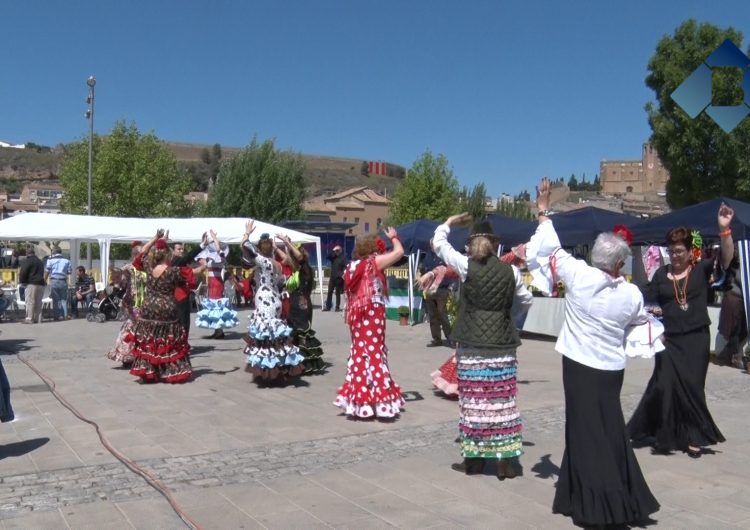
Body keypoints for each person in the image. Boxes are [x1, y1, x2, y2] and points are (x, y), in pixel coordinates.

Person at [526, 178, 659, 526]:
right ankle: (584, 491)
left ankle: (599, 501)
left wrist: (543, 209)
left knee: (584, 430)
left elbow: (551, 247)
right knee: (608, 427)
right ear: (618, 265)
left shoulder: (580, 276)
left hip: (579, 366)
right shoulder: (631, 295)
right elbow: (639, 322)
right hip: (611, 369)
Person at [627, 204, 734, 458]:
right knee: (664, 385)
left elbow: (727, 259)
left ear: (689, 252)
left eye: (679, 251)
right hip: (669, 340)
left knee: (693, 387)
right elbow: (647, 304)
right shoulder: (661, 276)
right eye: (672, 251)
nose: (675, 256)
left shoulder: (701, 269)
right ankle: (663, 432)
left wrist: (724, 229)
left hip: (696, 338)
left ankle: (692, 437)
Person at [433, 213, 532, 479]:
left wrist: (449, 222)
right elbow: (526, 300)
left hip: (472, 345)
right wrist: (511, 318)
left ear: (472, 245)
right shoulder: (510, 270)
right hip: (502, 346)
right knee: (502, 404)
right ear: (494, 244)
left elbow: (440, 244)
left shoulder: (466, 266)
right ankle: (504, 462)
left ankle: (473, 462)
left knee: (474, 403)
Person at [333, 228, 405, 419]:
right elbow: (399, 253)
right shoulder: (371, 263)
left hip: (357, 314)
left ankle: (360, 398)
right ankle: (379, 400)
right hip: (372, 312)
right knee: (374, 351)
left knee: (360, 351)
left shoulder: (352, 266)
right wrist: (394, 238)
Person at [241, 221, 305, 383]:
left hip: (265, 299)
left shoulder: (263, 261)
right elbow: (292, 264)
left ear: (261, 249)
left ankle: (270, 372)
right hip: (275, 300)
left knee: (266, 335)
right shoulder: (278, 264)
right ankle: (279, 367)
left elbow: (244, 246)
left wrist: (247, 233)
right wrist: (280, 246)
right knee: (276, 334)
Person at [127, 229, 193, 383]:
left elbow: (140, 255)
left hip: (149, 307)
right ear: (168, 255)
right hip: (167, 307)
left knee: (150, 339)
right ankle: (169, 371)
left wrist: (154, 238)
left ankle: (149, 371)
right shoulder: (174, 271)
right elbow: (191, 279)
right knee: (168, 340)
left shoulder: (148, 268)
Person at [276, 233, 325, 374]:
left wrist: (286, 241)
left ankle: (306, 365)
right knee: (294, 334)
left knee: (303, 334)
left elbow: (299, 258)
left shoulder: (305, 269)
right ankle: (296, 363)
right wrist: (279, 247)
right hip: (294, 307)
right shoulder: (296, 270)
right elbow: (288, 258)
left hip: (303, 306)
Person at [195, 230, 238, 339]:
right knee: (213, 306)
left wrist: (215, 239)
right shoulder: (213, 258)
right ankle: (218, 330)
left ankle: (219, 331)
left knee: (216, 306)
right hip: (212, 283)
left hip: (217, 283)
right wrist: (204, 242)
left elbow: (219, 251)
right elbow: (201, 256)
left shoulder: (221, 258)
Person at [713, 248, 747, 369]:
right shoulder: (739, 245)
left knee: (743, 332)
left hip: (743, 296)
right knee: (728, 331)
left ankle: (737, 357)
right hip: (735, 293)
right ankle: (726, 358)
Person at [420, 243, 455, 347]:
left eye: (434, 244)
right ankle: (436, 339)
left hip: (442, 288)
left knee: (442, 312)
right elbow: (424, 270)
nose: (433, 246)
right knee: (432, 314)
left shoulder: (443, 254)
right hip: (430, 289)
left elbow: (449, 270)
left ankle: (451, 338)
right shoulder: (428, 256)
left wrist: (449, 285)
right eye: (431, 245)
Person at [171, 240, 205, 337]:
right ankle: (181, 344)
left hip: (182, 295)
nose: (181, 251)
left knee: (183, 321)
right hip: (179, 296)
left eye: (182, 249)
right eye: (179, 249)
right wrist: (201, 247)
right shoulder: (176, 261)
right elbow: (189, 259)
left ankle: (181, 343)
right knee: (183, 321)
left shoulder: (179, 262)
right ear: (173, 251)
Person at [18, 245, 45, 324]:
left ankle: (29, 318)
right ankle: (38, 318)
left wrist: (22, 281)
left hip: (32, 283)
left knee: (30, 301)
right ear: (34, 253)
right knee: (38, 301)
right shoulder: (40, 261)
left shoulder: (27, 261)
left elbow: (23, 272)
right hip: (41, 283)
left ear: (27, 253)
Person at [44, 246, 72, 321]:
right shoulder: (67, 261)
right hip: (63, 280)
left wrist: (44, 280)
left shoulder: (50, 261)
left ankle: (58, 316)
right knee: (64, 299)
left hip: (54, 280)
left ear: (54, 252)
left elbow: (47, 271)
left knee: (56, 300)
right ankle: (65, 315)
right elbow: (69, 272)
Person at [323, 245, 346, 311]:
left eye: (338, 250)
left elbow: (345, 266)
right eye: (336, 250)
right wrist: (333, 250)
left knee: (337, 293)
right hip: (332, 277)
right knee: (329, 292)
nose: (337, 252)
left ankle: (337, 307)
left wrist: (342, 274)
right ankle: (328, 307)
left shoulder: (343, 258)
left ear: (341, 251)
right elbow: (327, 256)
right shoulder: (333, 257)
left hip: (338, 278)